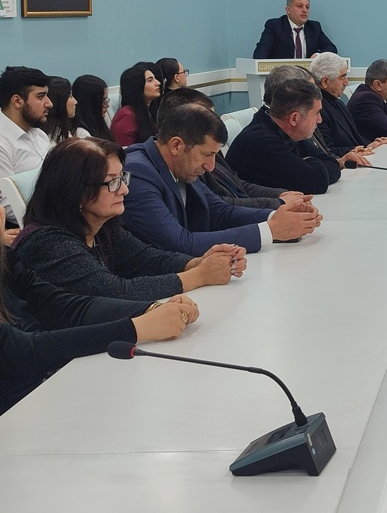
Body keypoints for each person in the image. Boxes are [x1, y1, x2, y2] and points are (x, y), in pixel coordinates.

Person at [14, 138, 245, 301]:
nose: (124, 190)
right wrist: (200, 275)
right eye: (112, 182)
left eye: (122, 177)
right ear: (76, 191)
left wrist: (198, 262)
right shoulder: (47, 244)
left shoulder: (101, 226)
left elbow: (146, 259)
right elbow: (115, 292)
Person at [0, 242, 196, 415]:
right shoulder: (47, 242)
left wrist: (148, 310)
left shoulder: (5, 256)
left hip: (38, 400)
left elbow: (61, 306)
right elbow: (22, 351)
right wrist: (137, 328)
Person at [124, 101, 319, 255]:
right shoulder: (137, 173)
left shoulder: (181, 163)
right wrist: (270, 230)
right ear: (176, 145)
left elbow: (219, 211)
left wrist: (277, 215)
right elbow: (178, 243)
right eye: (206, 154)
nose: (210, 167)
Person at [159, 88, 296, 210]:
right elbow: (218, 207)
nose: (214, 125)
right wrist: (277, 203)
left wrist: (280, 194)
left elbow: (238, 184)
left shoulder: (209, 147)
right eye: (206, 120)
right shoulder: (185, 167)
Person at [227, 79, 343, 192]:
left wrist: (308, 162)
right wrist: (311, 161)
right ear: (294, 118)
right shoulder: (261, 142)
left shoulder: (292, 132)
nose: (319, 120)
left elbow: (332, 164)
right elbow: (317, 182)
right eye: (316, 113)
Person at [0, 66, 53, 223]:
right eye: (41, 96)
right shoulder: (3, 143)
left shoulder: (38, 134)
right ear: (17, 101)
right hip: (30, 225)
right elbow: (6, 202)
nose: (49, 103)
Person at [253, 0, 338, 59]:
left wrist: (318, 55)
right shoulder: (275, 25)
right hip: (282, 74)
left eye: (307, 7)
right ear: (288, 10)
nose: (305, 10)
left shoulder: (314, 27)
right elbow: (260, 54)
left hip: (307, 74)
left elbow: (331, 48)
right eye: (300, 6)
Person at [109, 61, 160, 146]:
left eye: (155, 78)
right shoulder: (126, 116)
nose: (158, 83)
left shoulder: (148, 110)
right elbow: (123, 151)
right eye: (150, 80)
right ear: (137, 86)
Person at [72, 74, 112, 140]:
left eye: (106, 99)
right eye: (103, 100)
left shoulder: (103, 118)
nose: (107, 105)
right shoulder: (82, 134)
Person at [42, 76, 77, 145]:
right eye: (70, 96)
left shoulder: (61, 133)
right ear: (59, 101)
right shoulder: (48, 141)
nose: (75, 101)